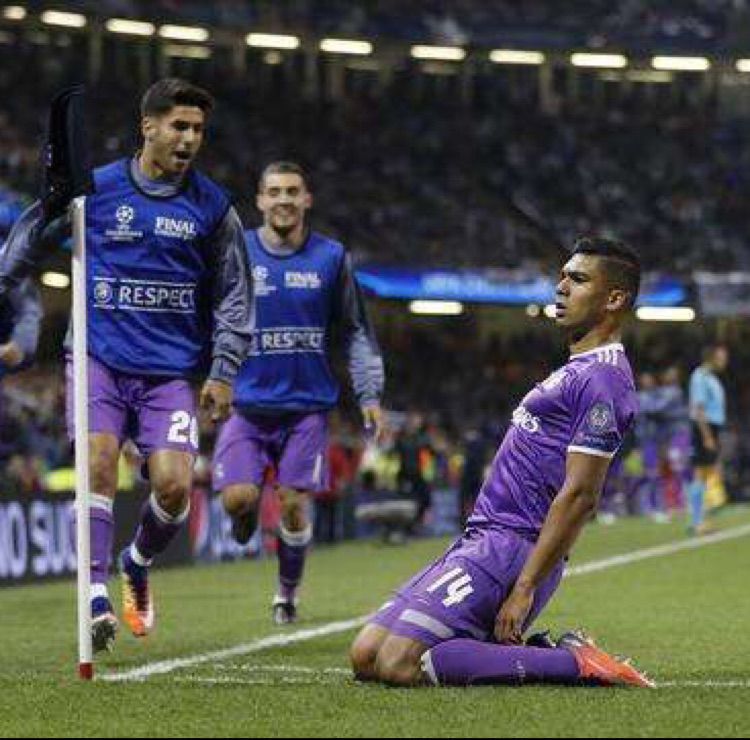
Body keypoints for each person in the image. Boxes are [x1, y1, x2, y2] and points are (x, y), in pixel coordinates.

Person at [0, 78, 254, 652]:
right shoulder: (96, 190)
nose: (189, 139)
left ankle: (136, 561)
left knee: (174, 488)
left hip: (169, 371)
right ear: (149, 127)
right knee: (97, 460)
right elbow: (35, 229)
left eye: (198, 130)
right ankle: (94, 597)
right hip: (100, 356)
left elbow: (236, 293)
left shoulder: (214, 208)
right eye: (179, 126)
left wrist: (223, 369)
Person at [350, 237, 654, 688]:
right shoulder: (575, 369)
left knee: (398, 664)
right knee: (365, 655)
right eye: (562, 276)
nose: (561, 287)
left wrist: (525, 586)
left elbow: (580, 495)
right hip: (481, 538)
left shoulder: (604, 380)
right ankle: (511, 652)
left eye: (578, 279)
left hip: (514, 546)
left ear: (614, 299)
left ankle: (576, 662)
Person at [213, 161, 385, 625]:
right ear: (260, 201)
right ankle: (244, 515)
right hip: (248, 407)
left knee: (292, 502)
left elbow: (356, 330)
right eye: (274, 192)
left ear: (307, 199)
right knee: (237, 499)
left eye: (292, 191)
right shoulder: (237, 251)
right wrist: (216, 376)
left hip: (307, 409)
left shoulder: (331, 257)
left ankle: (286, 595)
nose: (284, 200)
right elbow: (215, 317)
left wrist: (369, 394)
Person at [687, 344, 728, 536]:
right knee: (700, 474)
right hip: (704, 428)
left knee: (707, 474)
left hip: (713, 428)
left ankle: (701, 520)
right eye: (721, 357)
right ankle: (697, 522)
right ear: (711, 357)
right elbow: (699, 408)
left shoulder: (711, 377)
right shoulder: (700, 376)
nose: (724, 361)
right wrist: (707, 436)